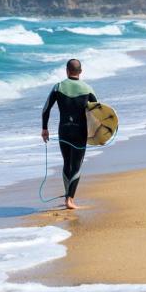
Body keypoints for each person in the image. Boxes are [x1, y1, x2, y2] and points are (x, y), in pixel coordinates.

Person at [41, 58, 97, 210]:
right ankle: (70, 199)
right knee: (77, 165)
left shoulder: (58, 87)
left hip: (64, 130)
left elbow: (46, 109)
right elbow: (97, 114)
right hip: (80, 131)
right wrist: (97, 135)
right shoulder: (87, 89)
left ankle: (68, 195)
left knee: (67, 162)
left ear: (67, 70)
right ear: (80, 72)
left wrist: (44, 128)